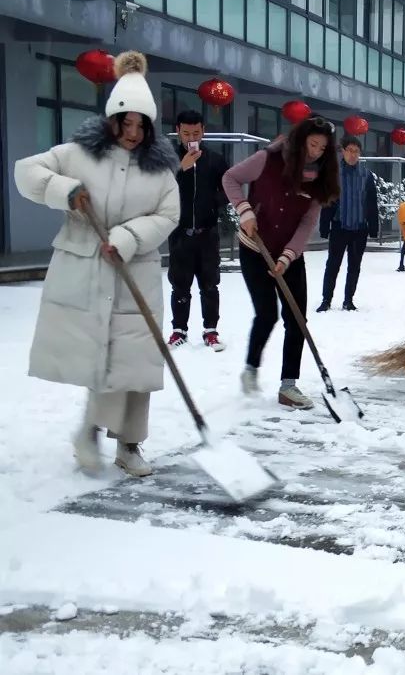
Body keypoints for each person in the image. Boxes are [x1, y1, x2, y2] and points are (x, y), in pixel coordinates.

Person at [13, 51, 180, 476]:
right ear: (112, 120)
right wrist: (66, 190)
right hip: (86, 268)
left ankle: (130, 445)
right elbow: (27, 172)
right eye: (126, 123)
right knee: (100, 361)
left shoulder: (159, 171)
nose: (133, 133)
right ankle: (88, 432)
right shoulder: (77, 154)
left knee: (137, 363)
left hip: (134, 272)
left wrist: (127, 237)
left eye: (141, 125)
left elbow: (168, 215)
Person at [223, 116, 340, 410]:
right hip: (255, 247)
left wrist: (288, 257)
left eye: (322, 148)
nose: (316, 152)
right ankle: (251, 368)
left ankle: (288, 386)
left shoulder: (320, 179)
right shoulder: (269, 159)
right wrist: (245, 211)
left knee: (297, 318)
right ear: (301, 140)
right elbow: (230, 178)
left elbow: (306, 224)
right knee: (266, 314)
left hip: (288, 253)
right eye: (313, 144)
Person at [167, 109, 231, 350]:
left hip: (207, 232)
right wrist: (181, 169)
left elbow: (228, 189)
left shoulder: (215, 159)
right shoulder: (170, 159)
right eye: (186, 133)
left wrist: (212, 201)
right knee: (180, 285)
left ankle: (210, 331)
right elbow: (160, 189)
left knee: (209, 284)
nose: (191, 137)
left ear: (203, 131)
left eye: (196, 132)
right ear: (178, 132)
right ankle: (178, 330)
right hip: (180, 232)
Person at [317, 135, 379, 312]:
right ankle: (326, 300)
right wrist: (324, 226)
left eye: (356, 151)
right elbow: (327, 202)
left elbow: (371, 202)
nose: (353, 155)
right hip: (339, 227)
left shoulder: (366, 175)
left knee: (354, 266)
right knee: (333, 265)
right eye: (350, 150)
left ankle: (348, 300)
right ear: (342, 151)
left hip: (360, 228)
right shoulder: (334, 174)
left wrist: (373, 227)